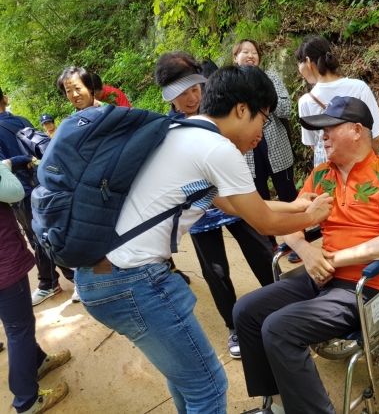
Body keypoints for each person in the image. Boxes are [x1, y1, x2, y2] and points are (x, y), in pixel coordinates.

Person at [74, 64, 333, 414]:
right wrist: (313, 216)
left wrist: (294, 205)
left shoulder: (181, 131)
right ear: (241, 109)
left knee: (187, 381)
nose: (261, 132)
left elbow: (234, 204)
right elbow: (263, 222)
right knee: (208, 388)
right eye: (263, 118)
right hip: (134, 279)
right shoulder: (216, 149)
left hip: (101, 273)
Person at [233, 96, 379, 414]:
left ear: (357, 130)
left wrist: (331, 260)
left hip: (367, 286)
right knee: (247, 310)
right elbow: (288, 225)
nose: (323, 136)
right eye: (321, 130)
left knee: (278, 328)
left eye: (330, 128)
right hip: (321, 276)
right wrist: (307, 252)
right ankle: (277, 406)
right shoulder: (320, 176)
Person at [155, 51, 276, 359]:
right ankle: (235, 326)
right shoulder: (170, 129)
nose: (192, 97)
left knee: (262, 253)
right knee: (216, 271)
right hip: (201, 213)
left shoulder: (218, 110)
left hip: (235, 198)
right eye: (182, 93)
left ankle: (282, 304)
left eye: (195, 88)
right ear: (169, 95)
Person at [0, 156, 71, 414]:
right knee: (18, 329)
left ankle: (38, 361)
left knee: (18, 323)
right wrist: (4, 167)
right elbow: (14, 192)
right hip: (4, 266)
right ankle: (27, 400)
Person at [0, 87, 76, 305]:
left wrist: (14, 162)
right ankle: (53, 281)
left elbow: (3, 166)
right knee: (49, 233)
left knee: (41, 238)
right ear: (5, 98)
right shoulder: (21, 120)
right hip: (41, 182)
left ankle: (69, 279)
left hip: (21, 191)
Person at [232, 39, 299, 254]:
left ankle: (298, 241)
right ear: (235, 58)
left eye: (254, 52)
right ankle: (270, 244)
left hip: (276, 145)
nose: (251, 55)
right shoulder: (232, 84)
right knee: (259, 199)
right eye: (245, 52)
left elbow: (286, 109)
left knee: (288, 195)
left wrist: (265, 94)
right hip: (247, 150)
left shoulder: (271, 78)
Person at [295, 36, 379, 168]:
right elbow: (376, 138)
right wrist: (367, 168)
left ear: (308, 62)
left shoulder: (305, 102)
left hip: (328, 174)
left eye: (299, 62)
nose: (299, 68)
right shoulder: (359, 88)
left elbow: (315, 146)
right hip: (361, 169)